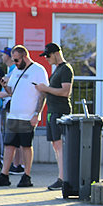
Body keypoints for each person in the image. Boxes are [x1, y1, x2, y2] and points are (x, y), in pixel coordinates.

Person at [0, 45, 49, 187]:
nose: (14, 63)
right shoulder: (16, 70)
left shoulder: (38, 70)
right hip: (14, 114)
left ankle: (26, 176)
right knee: (9, 145)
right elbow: (12, 92)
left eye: (16, 60)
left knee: (26, 146)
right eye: (13, 60)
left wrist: (36, 114)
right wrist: (5, 85)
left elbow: (43, 94)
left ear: (24, 57)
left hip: (28, 115)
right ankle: (4, 175)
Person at [35, 42, 74, 190]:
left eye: (48, 55)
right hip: (52, 111)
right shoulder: (57, 69)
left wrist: (46, 88)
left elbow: (65, 92)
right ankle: (61, 177)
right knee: (55, 145)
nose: (46, 58)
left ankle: (63, 179)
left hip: (60, 111)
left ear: (56, 53)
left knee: (60, 146)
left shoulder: (66, 69)